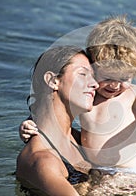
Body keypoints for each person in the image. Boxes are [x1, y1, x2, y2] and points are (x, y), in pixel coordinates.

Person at [20, 16, 136, 174]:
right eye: (108, 77)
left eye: (124, 78)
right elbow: (56, 114)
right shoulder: (87, 96)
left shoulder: (131, 94)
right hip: (95, 170)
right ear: (93, 68)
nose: (115, 85)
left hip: (126, 173)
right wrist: (30, 125)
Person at [16, 45, 99, 196]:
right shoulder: (44, 161)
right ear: (53, 81)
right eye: (83, 74)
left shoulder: (77, 138)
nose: (96, 84)